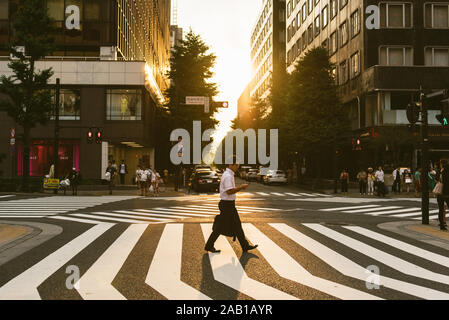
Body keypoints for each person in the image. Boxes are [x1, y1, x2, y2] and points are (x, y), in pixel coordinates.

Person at [204, 156, 258, 253]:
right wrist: (241, 187)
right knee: (221, 227)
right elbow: (229, 191)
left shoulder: (229, 174)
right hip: (227, 205)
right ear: (231, 164)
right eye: (236, 165)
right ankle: (209, 245)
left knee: (237, 225)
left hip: (228, 204)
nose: (237, 166)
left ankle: (245, 246)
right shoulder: (228, 176)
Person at [436, 159, 449, 231]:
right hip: (447, 192)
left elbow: (436, 179)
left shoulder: (439, 171)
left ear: (441, 164)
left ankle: (442, 225)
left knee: (441, 209)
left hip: (440, 192)